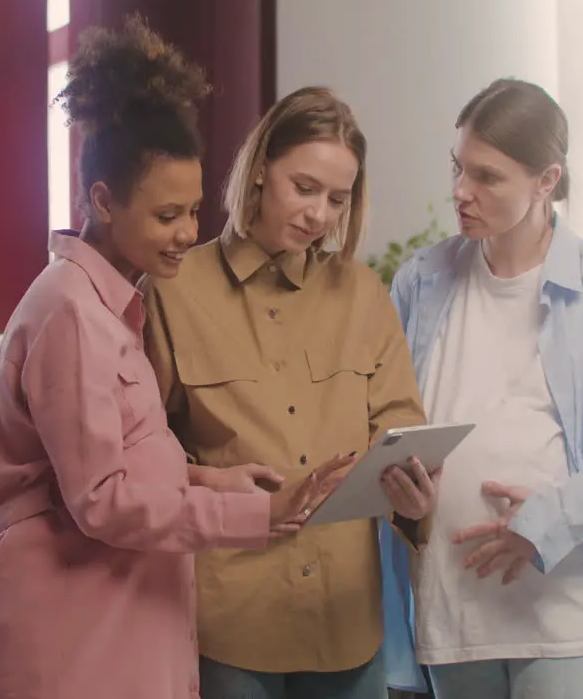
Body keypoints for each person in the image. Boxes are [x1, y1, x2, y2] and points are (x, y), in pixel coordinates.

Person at [0, 17, 350, 699]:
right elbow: (104, 501)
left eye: (194, 211)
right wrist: (259, 516)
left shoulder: (109, 306)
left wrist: (216, 483)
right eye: (167, 215)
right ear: (102, 201)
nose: (187, 235)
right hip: (70, 630)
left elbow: (119, 460)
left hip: (116, 618)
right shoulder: (72, 316)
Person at [384, 77, 583, 699]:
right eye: (458, 168)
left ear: (546, 181)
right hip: (452, 621)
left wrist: (551, 517)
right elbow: (390, 428)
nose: (460, 192)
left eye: (487, 176)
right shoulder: (419, 284)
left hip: (568, 622)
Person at [142, 85, 438, 699]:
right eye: (304, 188)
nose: (319, 215)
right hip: (228, 623)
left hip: (347, 622)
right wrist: (214, 483)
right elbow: (144, 451)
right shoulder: (172, 290)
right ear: (258, 173)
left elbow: (401, 431)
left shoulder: (363, 295)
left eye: (337, 198)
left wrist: (414, 495)